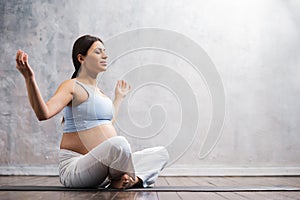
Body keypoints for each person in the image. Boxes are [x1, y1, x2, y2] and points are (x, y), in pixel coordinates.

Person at [15, 34, 169, 189]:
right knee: (120, 144)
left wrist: (119, 97)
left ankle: (128, 179)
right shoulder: (72, 86)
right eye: (98, 52)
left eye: (105, 51)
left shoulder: (99, 92)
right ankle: (125, 179)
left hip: (103, 171)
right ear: (81, 58)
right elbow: (44, 113)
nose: (105, 55)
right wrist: (29, 78)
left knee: (160, 153)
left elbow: (107, 123)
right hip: (76, 169)